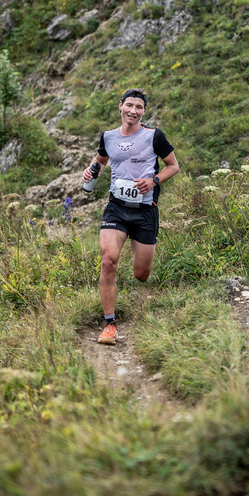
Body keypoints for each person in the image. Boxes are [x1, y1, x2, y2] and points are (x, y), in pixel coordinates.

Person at [81, 88, 179, 345]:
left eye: (139, 107)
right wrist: (91, 172)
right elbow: (101, 161)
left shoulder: (154, 136)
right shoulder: (109, 137)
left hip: (146, 210)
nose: (133, 111)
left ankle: (137, 276)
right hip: (117, 208)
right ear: (120, 107)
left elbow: (173, 166)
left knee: (141, 274)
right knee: (109, 261)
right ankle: (109, 324)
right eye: (129, 106)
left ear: (144, 111)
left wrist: (153, 180)